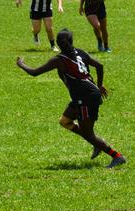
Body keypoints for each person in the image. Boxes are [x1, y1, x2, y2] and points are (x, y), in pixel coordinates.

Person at [15, 28, 126, 168]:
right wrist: (99, 85)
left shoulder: (59, 60)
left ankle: (117, 156)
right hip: (83, 96)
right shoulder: (81, 52)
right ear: (72, 42)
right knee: (65, 121)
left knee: (88, 133)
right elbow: (99, 65)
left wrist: (21, 64)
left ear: (58, 44)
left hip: (86, 98)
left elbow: (35, 72)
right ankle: (95, 143)